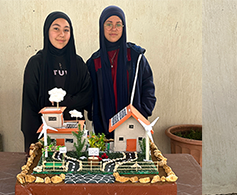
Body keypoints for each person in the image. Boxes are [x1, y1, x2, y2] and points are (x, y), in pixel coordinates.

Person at [21, 11, 92, 149]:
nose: (62, 34)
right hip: (43, 137)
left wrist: (64, 103)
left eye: (66, 30)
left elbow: (87, 95)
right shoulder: (36, 63)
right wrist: (33, 142)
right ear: (47, 31)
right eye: (56, 28)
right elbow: (29, 107)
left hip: (74, 137)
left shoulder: (78, 63)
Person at [87, 6, 156, 139]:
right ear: (102, 27)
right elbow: (90, 95)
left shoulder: (136, 56)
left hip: (133, 125)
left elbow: (148, 86)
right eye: (109, 24)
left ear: (123, 28)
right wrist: (94, 116)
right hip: (104, 129)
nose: (114, 29)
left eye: (118, 24)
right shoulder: (94, 62)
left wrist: (143, 112)